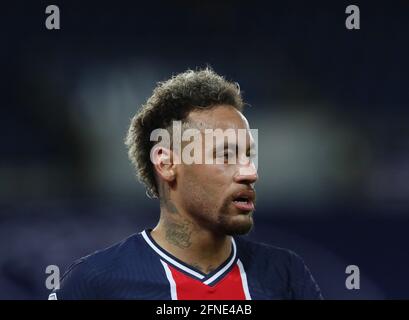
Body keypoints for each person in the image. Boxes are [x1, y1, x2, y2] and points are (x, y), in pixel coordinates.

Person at [49, 68, 322, 300]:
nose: (250, 172)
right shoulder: (98, 281)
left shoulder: (285, 275)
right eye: (225, 155)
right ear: (167, 164)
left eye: (248, 155)